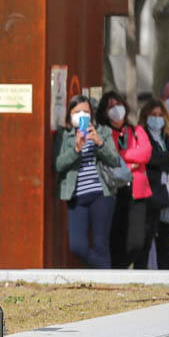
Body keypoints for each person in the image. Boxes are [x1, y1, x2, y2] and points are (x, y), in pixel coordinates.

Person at [55, 94, 122, 268]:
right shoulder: (65, 135)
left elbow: (115, 160)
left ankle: (105, 282)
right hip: (76, 196)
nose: (82, 115)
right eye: (78, 112)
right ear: (70, 114)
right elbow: (58, 164)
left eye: (86, 111)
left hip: (102, 194)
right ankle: (108, 273)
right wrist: (76, 149)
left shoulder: (103, 131)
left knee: (101, 244)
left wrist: (99, 143)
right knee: (77, 246)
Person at [97, 90, 142, 268]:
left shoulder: (135, 130)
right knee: (115, 235)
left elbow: (145, 153)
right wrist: (129, 162)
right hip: (114, 190)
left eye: (118, 104)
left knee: (136, 241)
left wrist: (122, 159)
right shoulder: (105, 133)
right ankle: (115, 269)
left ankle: (122, 266)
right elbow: (110, 155)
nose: (116, 109)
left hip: (135, 190)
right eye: (110, 106)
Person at [139, 99, 169, 269]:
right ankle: (140, 275)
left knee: (165, 242)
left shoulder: (168, 138)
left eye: (160, 115)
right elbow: (149, 158)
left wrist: (163, 159)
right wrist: (168, 158)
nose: (157, 118)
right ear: (146, 117)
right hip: (151, 195)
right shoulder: (142, 135)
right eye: (153, 115)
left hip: (168, 196)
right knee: (145, 241)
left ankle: (167, 277)